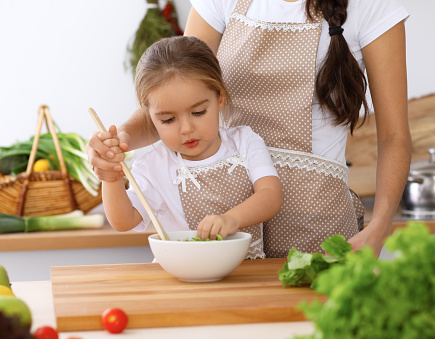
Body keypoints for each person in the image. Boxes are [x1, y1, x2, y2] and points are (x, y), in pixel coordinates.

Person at [88, 0, 412, 258]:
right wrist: (121, 140)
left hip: (316, 217)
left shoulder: (371, 6)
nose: (186, 125)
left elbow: (394, 136)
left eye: (201, 112)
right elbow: (176, 92)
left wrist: (380, 226)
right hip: (226, 228)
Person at [97, 36, 283, 259]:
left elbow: (270, 196)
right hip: (180, 277)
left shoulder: (244, 142)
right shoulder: (152, 166)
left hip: (245, 274)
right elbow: (123, 221)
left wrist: (231, 219)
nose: (186, 129)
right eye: (168, 120)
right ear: (150, 118)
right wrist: (111, 177)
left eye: (198, 113)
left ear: (220, 99)